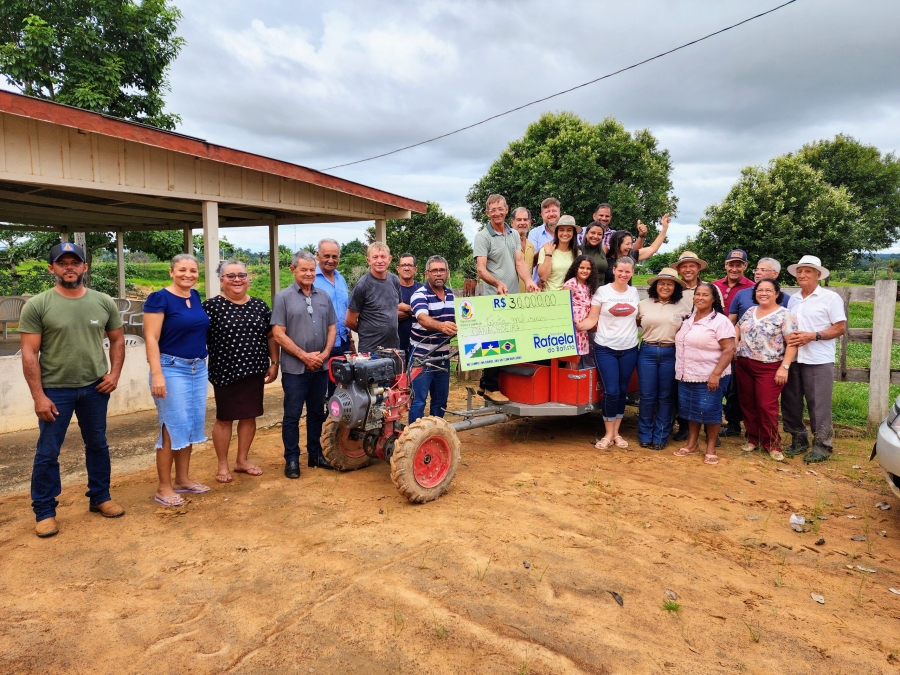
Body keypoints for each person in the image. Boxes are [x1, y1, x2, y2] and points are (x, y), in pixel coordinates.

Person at [19, 242, 126, 538]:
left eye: (75, 262)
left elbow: (118, 340)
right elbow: (29, 353)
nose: (69, 267)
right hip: (56, 391)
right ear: (52, 268)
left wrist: (114, 374)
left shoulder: (103, 301)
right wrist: (39, 396)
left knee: (98, 444)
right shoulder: (38, 304)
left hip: (95, 388)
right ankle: (44, 511)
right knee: (48, 452)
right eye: (62, 262)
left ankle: (100, 497)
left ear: (85, 267)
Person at [203, 261, 280, 483]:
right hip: (225, 372)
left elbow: (270, 336)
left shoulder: (259, 306)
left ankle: (242, 460)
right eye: (230, 276)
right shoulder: (210, 307)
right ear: (221, 280)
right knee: (225, 418)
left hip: (255, 371)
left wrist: (274, 362)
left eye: (241, 275)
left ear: (248, 278)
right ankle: (222, 464)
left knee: (249, 415)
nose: (237, 279)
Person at [144, 254, 211, 507]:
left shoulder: (194, 296)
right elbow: (151, 338)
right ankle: (164, 487)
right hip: (171, 368)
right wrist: (157, 373)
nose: (188, 274)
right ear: (171, 272)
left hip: (197, 368)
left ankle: (183, 479)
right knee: (171, 426)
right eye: (182, 270)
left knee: (191, 425)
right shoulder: (159, 298)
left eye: (193, 270)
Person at [272, 251, 337, 477]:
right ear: (293, 270)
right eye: (304, 269)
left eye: (312, 269)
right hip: (295, 369)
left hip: (320, 366)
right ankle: (291, 459)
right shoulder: (283, 298)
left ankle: (315, 454)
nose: (309, 273)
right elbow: (278, 333)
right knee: (292, 414)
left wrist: (325, 353)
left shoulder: (324, 296)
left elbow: (332, 327)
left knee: (317, 412)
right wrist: (304, 355)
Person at [474, 194, 540, 403]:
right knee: (497, 343)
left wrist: (529, 280)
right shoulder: (483, 236)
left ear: (506, 209)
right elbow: (481, 269)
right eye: (492, 210)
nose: (497, 213)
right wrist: (497, 283)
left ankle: (487, 385)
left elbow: (519, 261)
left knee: (509, 342)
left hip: (512, 298)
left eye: (500, 209)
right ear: (487, 213)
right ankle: (492, 387)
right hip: (494, 298)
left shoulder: (512, 234)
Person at [781, 255, 847, 463]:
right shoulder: (794, 299)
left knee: (818, 403)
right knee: (791, 401)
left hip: (818, 358)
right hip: (794, 358)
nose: (802, 275)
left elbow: (840, 327)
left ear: (818, 275)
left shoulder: (830, 298)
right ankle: (798, 439)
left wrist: (813, 335)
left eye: (807, 271)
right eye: (800, 271)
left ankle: (822, 446)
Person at [577, 256, 640, 450]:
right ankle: (608, 433)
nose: (623, 274)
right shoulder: (602, 292)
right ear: (614, 270)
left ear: (632, 273)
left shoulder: (634, 292)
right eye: (620, 270)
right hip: (606, 348)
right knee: (611, 391)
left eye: (628, 272)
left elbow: (638, 318)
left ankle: (616, 433)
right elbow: (592, 319)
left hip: (629, 348)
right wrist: (577, 325)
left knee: (622, 391)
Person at [734, 279, 799, 461]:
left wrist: (784, 367)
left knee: (766, 405)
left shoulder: (785, 315)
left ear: (777, 293)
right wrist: (734, 346)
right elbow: (738, 327)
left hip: (769, 367)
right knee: (748, 403)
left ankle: (772, 443)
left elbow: (792, 343)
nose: (763, 293)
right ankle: (753, 438)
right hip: (744, 363)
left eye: (768, 290)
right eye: (760, 290)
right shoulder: (750, 311)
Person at [672, 282, 736, 466]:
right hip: (687, 373)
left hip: (710, 375)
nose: (700, 297)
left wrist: (716, 374)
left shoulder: (720, 321)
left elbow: (729, 349)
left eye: (705, 295)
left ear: (714, 299)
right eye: (697, 294)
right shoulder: (689, 318)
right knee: (691, 410)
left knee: (710, 411)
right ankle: (692, 444)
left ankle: (710, 448)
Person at [635, 268, 692, 450]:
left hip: (671, 353)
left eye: (669, 284)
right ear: (656, 286)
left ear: (675, 287)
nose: (665, 287)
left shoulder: (683, 307)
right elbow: (637, 323)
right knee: (647, 396)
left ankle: (660, 435)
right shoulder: (644, 304)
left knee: (666, 397)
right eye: (662, 283)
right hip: (647, 351)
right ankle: (645, 434)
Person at [408, 256, 457, 424]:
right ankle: (414, 440)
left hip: (443, 358)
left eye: (442, 270)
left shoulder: (451, 295)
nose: (438, 274)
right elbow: (422, 318)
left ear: (447, 273)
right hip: (422, 358)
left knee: (440, 402)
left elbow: (462, 320)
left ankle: (435, 436)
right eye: (434, 270)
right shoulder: (419, 295)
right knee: (418, 402)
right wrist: (442, 326)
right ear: (426, 273)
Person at [713, 249, 755, 438]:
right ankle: (710, 417)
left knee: (733, 385)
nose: (734, 268)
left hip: (736, 342)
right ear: (725, 265)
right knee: (712, 378)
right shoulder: (714, 285)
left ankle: (733, 422)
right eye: (731, 264)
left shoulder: (752, 288)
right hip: (713, 341)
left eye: (739, 265)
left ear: (745, 266)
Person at [671, 251, 708, 442]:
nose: (687, 269)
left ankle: (708, 429)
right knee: (681, 388)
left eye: (691, 265)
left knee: (703, 388)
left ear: (698, 267)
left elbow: (719, 314)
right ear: (678, 269)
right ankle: (684, 426)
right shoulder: (674, 289)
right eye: (683, 266)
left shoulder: (709, 289)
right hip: (679, 345)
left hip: (703, 346)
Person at [345, 243, 402, 353]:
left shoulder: (394, 280)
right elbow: (349, 321)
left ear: (389, 259)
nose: (379, 261)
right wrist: (367, 332)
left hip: (393, 348)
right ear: (368, 260)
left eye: (383, 257)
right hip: (370, 349)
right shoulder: (362, 285)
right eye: (375, 257)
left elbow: (395, 309)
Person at [315, 238, 353, 397]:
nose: (331, 260)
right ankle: (321, 421)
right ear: (318, 255)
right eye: (326, 256)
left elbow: (345, 310)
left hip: (343, 343)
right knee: (318, 391)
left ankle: (334, 419)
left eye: (335, 256)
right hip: (322, 345)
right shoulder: (311, 279)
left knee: (340, 390)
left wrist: (351, 341)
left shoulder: (341, 279)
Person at [603, 215, 670, 284]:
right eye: (627, 244)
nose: (630, 247)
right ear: (616, 244)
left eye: (631, 244)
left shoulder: (631, 255)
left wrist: (665, 228)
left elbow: (653, 248)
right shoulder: (604, 257)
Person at [562, 255, 600, 368]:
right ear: (576, 268)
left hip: (583, 327)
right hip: (573, 326)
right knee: (573, 357)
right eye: (581, 267)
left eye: (588, 268)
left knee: (577, 358)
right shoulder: (571, 284)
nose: (585, 271)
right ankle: (568, 381)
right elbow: (564, 306)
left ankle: (572, 382)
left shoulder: (589, 286)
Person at [728, 257, 789, 324]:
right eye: (757, 270)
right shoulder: (741, 294)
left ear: (775, 274)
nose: (758, 272)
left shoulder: (786, 299)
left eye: (763, 270)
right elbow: (731, 321)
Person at [537, 215, 581, 291]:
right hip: (549, 297)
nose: (565, 233)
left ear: (573, 233)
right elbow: (543, 277)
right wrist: (549, 254)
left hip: (569, 297)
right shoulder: (546, 249)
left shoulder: (578, 253)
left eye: (569, 230)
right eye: (561, 230)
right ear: (557, 232)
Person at [527, 198, 562, 283]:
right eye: (547, 211)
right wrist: (544, 250)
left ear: (559, 212)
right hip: (540, 287)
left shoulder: (568, 233)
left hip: (564, 286)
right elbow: (531, 263)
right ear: (542, 215)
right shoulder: (534, 233)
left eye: (554, 210)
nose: (551, 214)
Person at [396, 253, 424, 354]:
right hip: (396, 346)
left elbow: (428, 313)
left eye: (410, 265)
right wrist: (417, 311)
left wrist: (406, 308)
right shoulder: (391, 289)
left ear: (415, 269)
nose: (406, 268)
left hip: (419, 345)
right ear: (398, 268)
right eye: (403, 265)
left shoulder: (423, 290)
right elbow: (390, 315)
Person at [512, 207, 536, 292]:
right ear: (512, 222)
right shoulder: (506, 243)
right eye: (519, 220)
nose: (522, 223)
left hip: (527, 297)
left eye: (525, 220)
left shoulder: (531, 246)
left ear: (529, 223)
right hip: (510, 296)